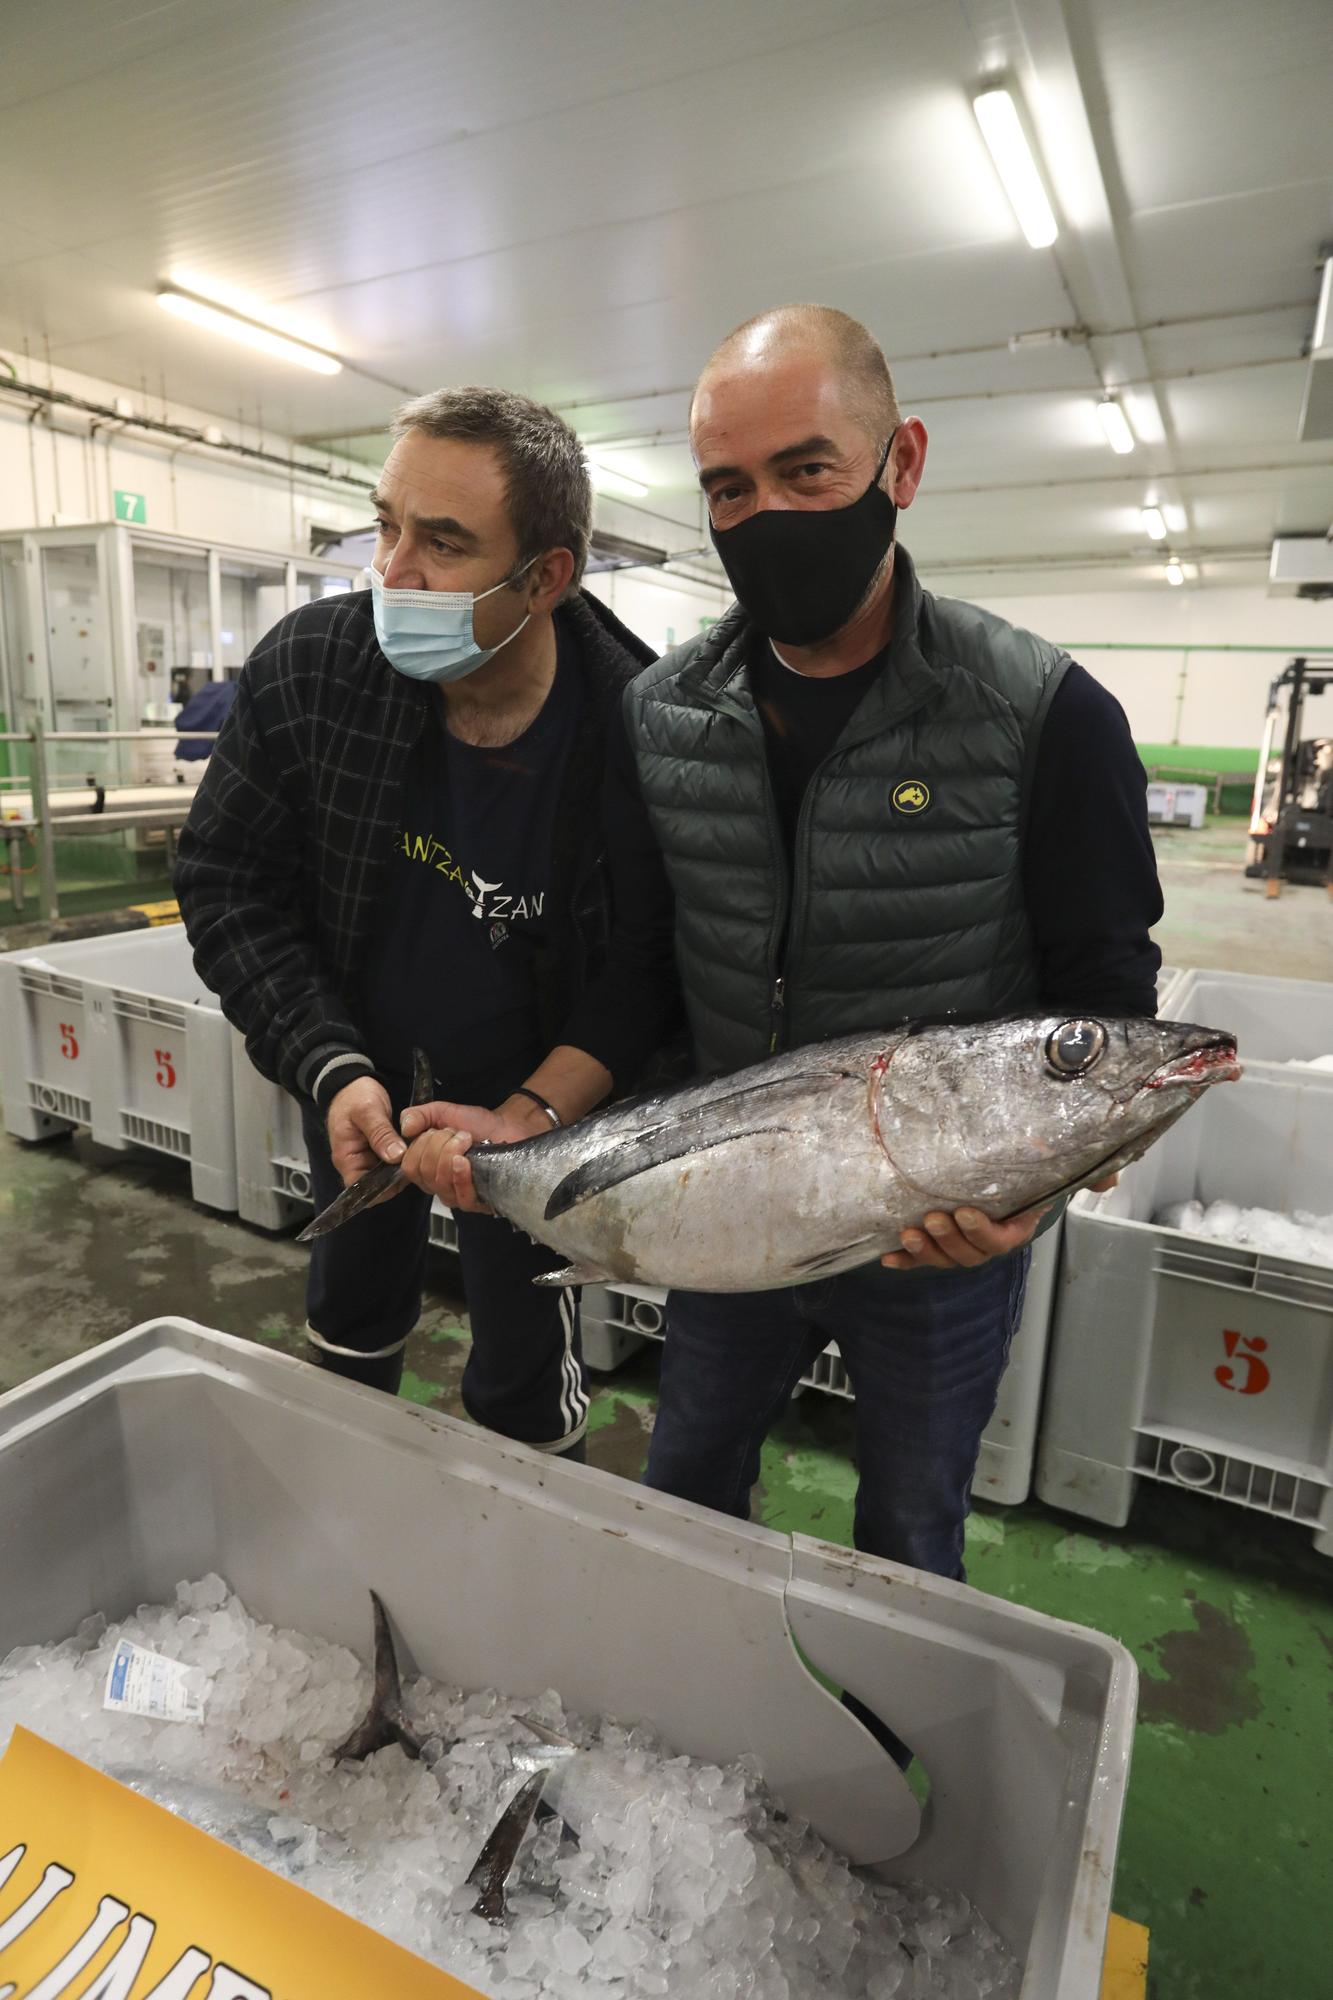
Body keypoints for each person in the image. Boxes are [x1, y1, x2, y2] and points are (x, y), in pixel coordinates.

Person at [405, 307, 1162, 1635]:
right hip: (726, 1210)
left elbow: (1106, 1005)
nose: (765, 516)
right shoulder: (664, 715)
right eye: (728, 488)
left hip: (941, 1241)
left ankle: (882, 1762)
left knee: (911, 1529)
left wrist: (1026, 1206)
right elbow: (640, 969)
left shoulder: (1046, 716)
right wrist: (527, 1123)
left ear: (901, 463)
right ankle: (691, 1730)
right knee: (689, 1481)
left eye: (807, 471)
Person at [174, 387, 675, 1455]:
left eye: (443, 544)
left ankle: (526, 1531)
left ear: (544, 577)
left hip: (532, 1108)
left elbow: (649, 963)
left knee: (525, 1361)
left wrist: (535, 1113)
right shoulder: (314, 672)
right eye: (387, 524)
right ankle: (346, 1501)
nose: (392, 572)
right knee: (348, 1315)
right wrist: (327, 1064)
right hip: (361, 1070)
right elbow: (227, 878)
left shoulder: (641, 736)